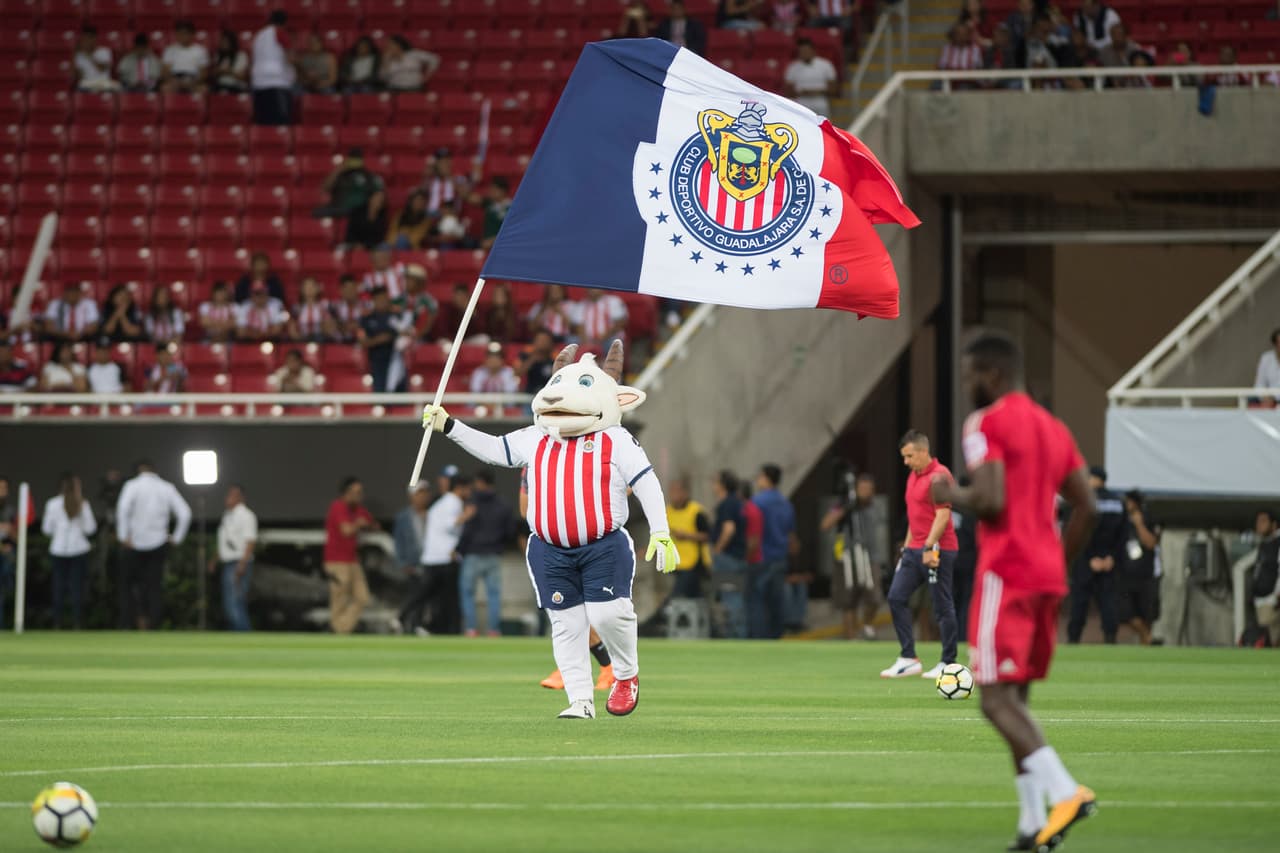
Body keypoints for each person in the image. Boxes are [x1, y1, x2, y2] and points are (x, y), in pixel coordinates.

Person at [423, 341, 677, 719]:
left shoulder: (614, 438)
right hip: (549, 548)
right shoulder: (536, 437)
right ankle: (580, 701)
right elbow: (495, 450)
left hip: (602, 544)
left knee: (608, 616)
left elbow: (646, 482)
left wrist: (661, 531)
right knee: (567, 625)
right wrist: (449, 426)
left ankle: (626, 674)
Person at [931, 330, 1098, 853]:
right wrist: (1057, 562)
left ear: (992, 375)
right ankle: (1031, 825)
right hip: (1046, 573)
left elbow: (990, 498)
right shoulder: (1053, 426)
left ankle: (1065, 792)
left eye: (969, 376)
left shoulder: (987, 422)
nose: (967, 387)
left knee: (994, 701)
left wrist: (948, 493)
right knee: (1017, 701)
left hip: (1006, 571)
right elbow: (1088, 505)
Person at [881, 430, 960, 678]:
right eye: (904, 457)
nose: (906, 462)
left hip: (938, 548)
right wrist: (907, 548)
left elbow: (943, 515)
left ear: (924, 452)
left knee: (941, 605)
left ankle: (948, 662)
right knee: (896, 597)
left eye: (909, 456)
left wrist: (928, 545)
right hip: (914, 549)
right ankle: (908, 657)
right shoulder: (913, 476)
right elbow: (915, 517)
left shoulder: (939, 477)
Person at [116, 460, 192, 630]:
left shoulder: (132, 485)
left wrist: (123, 536)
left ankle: (127, 623)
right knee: (154, 587)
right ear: (155, 470)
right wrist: (176, 538)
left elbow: (122, 509)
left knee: (128, 586)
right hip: (158, 543)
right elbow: (185, 513)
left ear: (139, 471)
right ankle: (154, 625)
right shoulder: (166, 487)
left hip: (134, 543)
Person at [821, 472, 886, 641]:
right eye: (862, 488)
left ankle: (867, 625)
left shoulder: (874, 506)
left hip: (870, 557)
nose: (865, 492)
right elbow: (826, 524)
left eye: (868, 489)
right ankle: (851, 637)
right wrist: (845, 508)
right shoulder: (842, 504)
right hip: (847, 558)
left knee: (874, 596)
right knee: (848, 601)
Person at [406, 472, 471, 636]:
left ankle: (422, 624)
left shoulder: (441, 502)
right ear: (460, 488)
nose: (469, 492)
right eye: (467, 488)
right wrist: (467, 516)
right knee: (446, 598)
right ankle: (450, 630)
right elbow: (450, 526)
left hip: (433, 557)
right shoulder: (454, 502)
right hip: (444, 558)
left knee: (431, 595)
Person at [1066, 465, 1125, 644]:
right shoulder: (1118, 503)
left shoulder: (1084, 500)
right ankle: (1110, 638)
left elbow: (1077, 531)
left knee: (1079, 603)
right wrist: (1111, 557)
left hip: (1085, 560)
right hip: (1108, 562)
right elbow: (1123, 535)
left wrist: (1089, 557)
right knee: (1108, 603)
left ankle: (1073, 640)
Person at [459, 470, 516, 637]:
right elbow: (510, 531)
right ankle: (493, 630)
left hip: (473, 553)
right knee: (494, 595)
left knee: (468, 593)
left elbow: (466, 530)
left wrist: (460, 549)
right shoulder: (504, 504)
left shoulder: (472, 503)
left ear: (481, 482)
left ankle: (471, 629)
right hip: (494, 554)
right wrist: (500, 545)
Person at [43, 473, 97, 630]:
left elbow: (47, 529)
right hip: (78, 549)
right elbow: (91, 529)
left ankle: (57, 622)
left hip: (58, 549)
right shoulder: (83, 504)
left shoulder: (52, 504)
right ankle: (77, 622)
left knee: (58, 587)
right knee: (77, 588)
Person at [324, 477, 376, 634]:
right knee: (339, 598)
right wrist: (359, 524)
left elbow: (373, 524)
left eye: (360, 492)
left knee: (363, 597)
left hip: (352, 560)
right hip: (336, 561)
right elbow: (346, 530)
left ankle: (340, 629)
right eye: (356, 492)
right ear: (346, 493)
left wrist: (364, 524)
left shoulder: (357, 509)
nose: (359, 496)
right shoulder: (338, 506)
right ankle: (340, 630)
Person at [750, 464, 795, 639]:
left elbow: (753, 531)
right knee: (776, 601)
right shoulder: (785, 503)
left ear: (766, 478)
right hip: (780, 556)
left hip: (762, 557)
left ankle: (761, 637)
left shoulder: (758, 502)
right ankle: (776, 635)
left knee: (758, 600)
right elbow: (791, 534)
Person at [709, 471, 748, 639]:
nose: (713, 485)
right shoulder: (737, 503)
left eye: (716, 481)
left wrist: (718, 549)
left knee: (731, 597)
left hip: (728, 557)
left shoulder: (727, 504)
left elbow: (729, 528)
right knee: (733, 596)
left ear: (723, 484)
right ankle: (737, 633)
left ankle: (737, 635)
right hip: (736, 557)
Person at [212, 484, 257, 631]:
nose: (227, 498)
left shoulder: (246, 516)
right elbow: (225, 541)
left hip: (238, 562)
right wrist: (215, 559)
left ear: (240, 497)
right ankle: (236, 632)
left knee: (235, 601)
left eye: (232, 495)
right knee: (229, 602)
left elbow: (250, 541)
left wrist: (242, 564)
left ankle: (243, 633)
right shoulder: (227, 515)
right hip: (228, 562)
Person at [1117, 490, 1159, 645]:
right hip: (1125, 575)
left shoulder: (1148, 520)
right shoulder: (1121, 521)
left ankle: (1145, 644)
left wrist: (1139, 524)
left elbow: (1151, 543)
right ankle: (1147, 636)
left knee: (1146, 614)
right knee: (1126, 613)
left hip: (1145, 575)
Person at [358, 286, 410, 393]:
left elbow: (409, 333)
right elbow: (362, 341)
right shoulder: (367, 319)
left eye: (384, 299)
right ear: (374, 301)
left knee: (400, 394)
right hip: (377, 361)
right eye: (379, 299)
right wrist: (378, 340)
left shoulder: (396, 316)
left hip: (397, 358)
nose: (382, 302)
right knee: (380, 392)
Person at [392, 483, 431, 628]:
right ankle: (406, 620)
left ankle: (415, 623)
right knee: (416, 593)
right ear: (412, 496)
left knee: (424, 594)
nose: (422, 497)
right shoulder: (403, 517)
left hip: (428, 562)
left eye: (425, 493)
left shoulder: (431, 514)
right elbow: (399, 541)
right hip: (412, 563)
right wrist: (402, 562)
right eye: (419, 493)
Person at [666, 476, 710, 600]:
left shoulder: (696, 512)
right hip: (675, 564)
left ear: (685, 493)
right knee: (693, 598)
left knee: (676, 598)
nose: (672, 495)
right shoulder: (667, 511)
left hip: (694, 564)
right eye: (671, 491)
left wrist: (687, 536)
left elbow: (708, 535)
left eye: (676, 491)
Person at [251, 10, 296, 125]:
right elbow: (290, 58)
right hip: (276, 82)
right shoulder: (279, 32)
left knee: (263, 123)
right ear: (284, 23)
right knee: (280, 122)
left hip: (258, 82)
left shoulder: (259, 35)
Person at [319, 148, 384, 219]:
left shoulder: (369, 176)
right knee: (319, 212)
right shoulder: (341, 175)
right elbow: (325, 188)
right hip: (340, 208)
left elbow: (378, 194)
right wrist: (338, 170)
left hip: (361, 212)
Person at [784, 37, 838, 116]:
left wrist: (817, 92)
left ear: (813, 50)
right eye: (801, 51)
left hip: (820, 101)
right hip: (801, 102)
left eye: (806, 50)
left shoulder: (825, 65)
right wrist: (803, 93)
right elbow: (788, 91)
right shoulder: (793, 67)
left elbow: (833, 89)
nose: (804, 53)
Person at [1251, 510, 1280, 645]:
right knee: (1265, 639)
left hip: (1272, 600)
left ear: (1274, 525)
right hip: (1261, 600)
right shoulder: (1265, 544)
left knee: (1272, 639)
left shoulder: (1277, 544)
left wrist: (1277, 595)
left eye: (1263, 521)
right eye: (1258, 521)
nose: (1259, 525)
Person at [161, 20, 209, 93]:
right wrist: (173, 81)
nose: (181, 36)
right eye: (179, 34)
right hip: (175, 79)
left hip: (193, 79)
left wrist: (194, 82)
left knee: (203, 89)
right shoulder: (170, 50)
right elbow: (165, 71)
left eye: (184, 34)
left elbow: (203, 73)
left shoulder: (200, 50)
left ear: (192, 34)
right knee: (165, 88)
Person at [394, 264, 438, 340]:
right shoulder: (398, 300)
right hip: (398, 337)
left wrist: (415, 336)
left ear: (420, 283)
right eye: (406, 279)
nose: (406, 282)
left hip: (421, 339)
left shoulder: (429, 301)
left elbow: (429, 325)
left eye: (410, 280)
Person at [74, 25, 119, 92]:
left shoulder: (105, 51)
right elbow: (79, 76)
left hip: (103, 84)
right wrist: (74, 53)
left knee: (118, 87)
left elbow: (102, 68)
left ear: (94, 38)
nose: (85, 41)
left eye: (88, 38)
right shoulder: (79, 55)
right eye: (83, 39)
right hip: (87, 85)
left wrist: (89, 56)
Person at [289, 275, 335, 342]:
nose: (309, 289)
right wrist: (300, 340)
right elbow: (292, 330)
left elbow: (331, 328)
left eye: (312, 286)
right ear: (301, 289)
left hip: (322, 341)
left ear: (318, 288)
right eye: (306, 286)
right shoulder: (296, 308)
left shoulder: (326, 306)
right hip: (301, 341)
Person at [517, 328, 557, 394]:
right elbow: (517, 373)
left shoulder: (555, 357)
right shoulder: (526, 354)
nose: (542, 343)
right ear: (534, 341)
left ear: (551, 342)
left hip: (549, 394)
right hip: (530, 393)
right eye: (540, 340)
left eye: (545, 340)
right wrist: (532, 359)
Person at [330, 275, 366, 342]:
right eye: (346, 289)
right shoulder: (334, 307)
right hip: (339, 343)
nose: (349, 292)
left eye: (352, 288)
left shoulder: (366, 306)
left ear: (356, 288)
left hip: (360, 342)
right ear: (340, 290)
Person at [1253, 328, 1280, 399]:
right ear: (1275, 344)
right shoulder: (1266, 358)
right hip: (1270, 402)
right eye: (1279, 343)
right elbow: (1259, 384)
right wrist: (1265, 397)